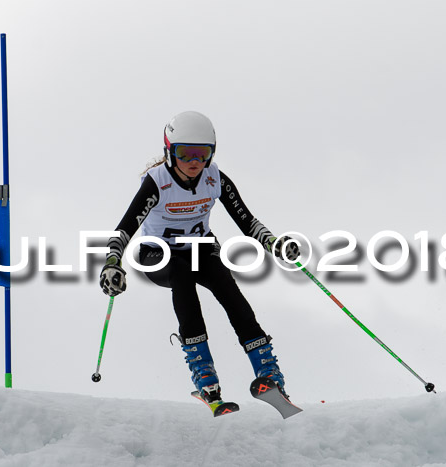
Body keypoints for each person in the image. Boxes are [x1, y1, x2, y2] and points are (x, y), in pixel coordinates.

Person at [99, 111, 300, 404]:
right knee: (181, 274)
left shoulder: (214, 178)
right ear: (170, 152)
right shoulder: (156, 183)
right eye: (185, 153)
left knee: (227, 287)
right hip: (158, 255)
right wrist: (112, 263)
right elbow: (124, 229)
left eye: (202, 154)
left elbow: (247, 221)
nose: (194, 162)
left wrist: (274, 244)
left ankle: (269, 373)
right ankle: (204, 373)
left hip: (200, 249)